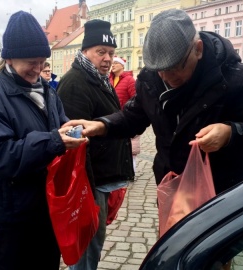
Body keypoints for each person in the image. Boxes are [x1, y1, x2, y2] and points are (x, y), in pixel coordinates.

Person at [63, 9, 243, 199]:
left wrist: (230, 133)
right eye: (159, 69)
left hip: (219, 194)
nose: (166, 76)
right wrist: (101, 125)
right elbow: (133, 117)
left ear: (198, 49)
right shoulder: (152, 78)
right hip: (171, 188)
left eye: (175, 67)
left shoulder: (236, 79)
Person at [0, 11, 87, 269]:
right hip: (11, 213)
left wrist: (71, 130)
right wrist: (54, 141)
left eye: (43, 61)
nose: (39, 68)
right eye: (31, 62)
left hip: (44, 206)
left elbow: (58, 125)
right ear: (9, 58)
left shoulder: (46, 90)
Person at [57, 19, 134, 270]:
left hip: (101, 178)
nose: (107, 58)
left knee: (93, 243)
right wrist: (85, 190)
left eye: (111, 53)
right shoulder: (75, 83)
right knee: (87, 247)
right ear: (85, 51)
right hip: (90, 182)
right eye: (100, 52)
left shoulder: (99, 79)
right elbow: (75, 145)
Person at [109, 56, 140, 172]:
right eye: (113, 63)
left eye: (116, 63)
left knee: (132, 144)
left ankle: (131, 168)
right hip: (114, 116)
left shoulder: (129, 80)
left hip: (127, 116)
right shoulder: (109, 79)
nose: (113, 65)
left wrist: (129, 111)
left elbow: (135, 98)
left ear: (122, 66)